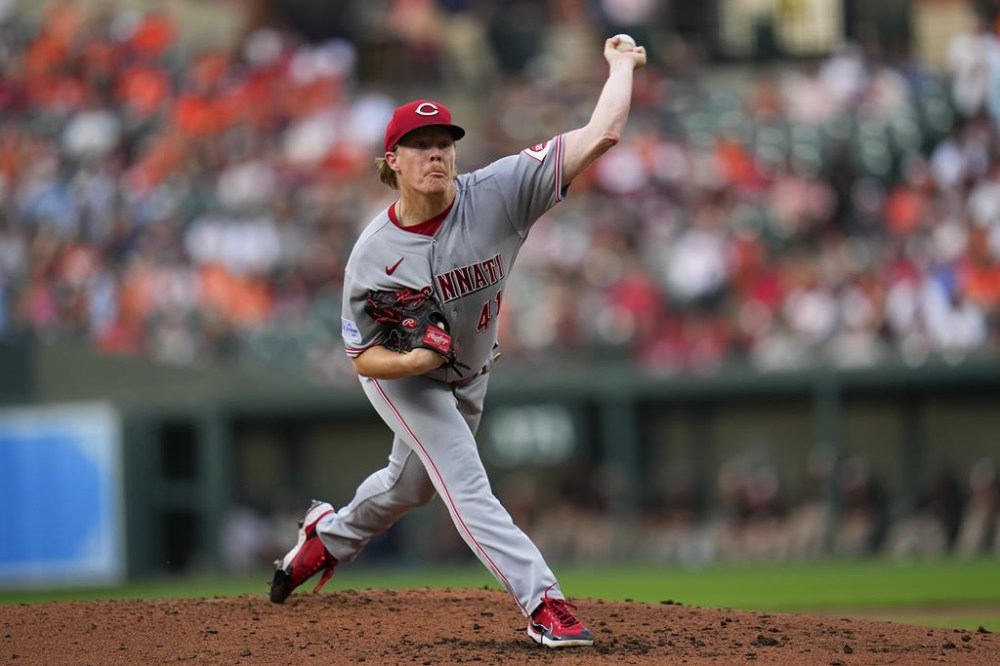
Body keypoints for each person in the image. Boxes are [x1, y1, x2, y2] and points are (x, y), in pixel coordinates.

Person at [269, 34, 647, 649]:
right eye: (419, 145)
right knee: (466, 485)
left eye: (443, 143)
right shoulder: (371, 257)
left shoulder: (498, 192)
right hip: (403, 378)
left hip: (470, 372)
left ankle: (325, 539)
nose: (435, 153)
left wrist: (621, 66)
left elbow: (600, 133)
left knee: (408, 487)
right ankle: (544, 602)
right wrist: (413, 359)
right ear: (392, 161)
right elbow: (361, 354)